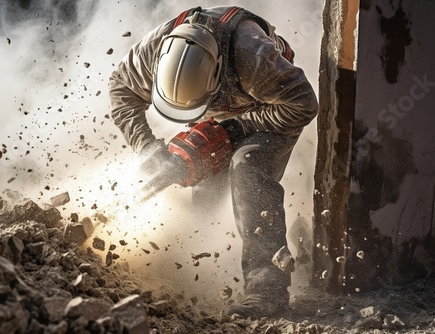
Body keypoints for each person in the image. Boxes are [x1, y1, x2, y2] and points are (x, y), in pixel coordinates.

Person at [108, 6, 318, 318]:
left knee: (247, 168)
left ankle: (267, 291)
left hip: (273, 109)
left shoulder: (254, 60)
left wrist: (233, 129)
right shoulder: (153, 53)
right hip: (220, 109)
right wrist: (151, 152)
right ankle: (204, 272)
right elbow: (120, 88)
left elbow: (303, 104)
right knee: (206, 184)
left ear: (217, 71)